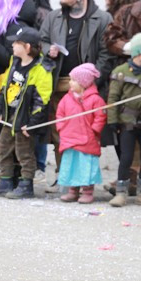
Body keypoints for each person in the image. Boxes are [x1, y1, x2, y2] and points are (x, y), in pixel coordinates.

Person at [40, 0, 112, 186]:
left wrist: (90, 83)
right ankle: (66, 179)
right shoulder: (54, 17)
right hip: (59, 85)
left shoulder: (102, 19)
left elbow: (106, 54)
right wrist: (47, 49)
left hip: (87, 91)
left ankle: (85, 182)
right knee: (59, 134)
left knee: (86, 137)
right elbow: (42, 41)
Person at [0, 26, 53, 199]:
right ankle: (6, 179)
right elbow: (4, 87)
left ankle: (26, 184)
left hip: (25, 119)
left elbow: (42, 99)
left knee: (24, 152)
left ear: (27, 47)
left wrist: (32, 123)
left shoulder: (41, 69)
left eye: (16, 43)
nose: (12, 46)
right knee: (2, 147)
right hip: (11, 115)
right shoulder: (14, 62)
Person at [107, 31, 141, 207]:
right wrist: (112, 121)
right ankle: (121, 192)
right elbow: (113, 98)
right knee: (126, 157)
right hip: (127, 122)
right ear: (137, 53)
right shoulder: (120, 72)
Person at [55, 63, 106, 204]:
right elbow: (60, 114)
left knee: (86, 165)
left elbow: (100, 117)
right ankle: (73, 191)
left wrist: (94, 130)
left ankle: (88, 191)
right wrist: (61, 128)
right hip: (70, 138)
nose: (70, 82)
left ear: (83, 82)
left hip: (87, 139)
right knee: (72, 164)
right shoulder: (67, 98)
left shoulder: (96, 99)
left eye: (73, 80)